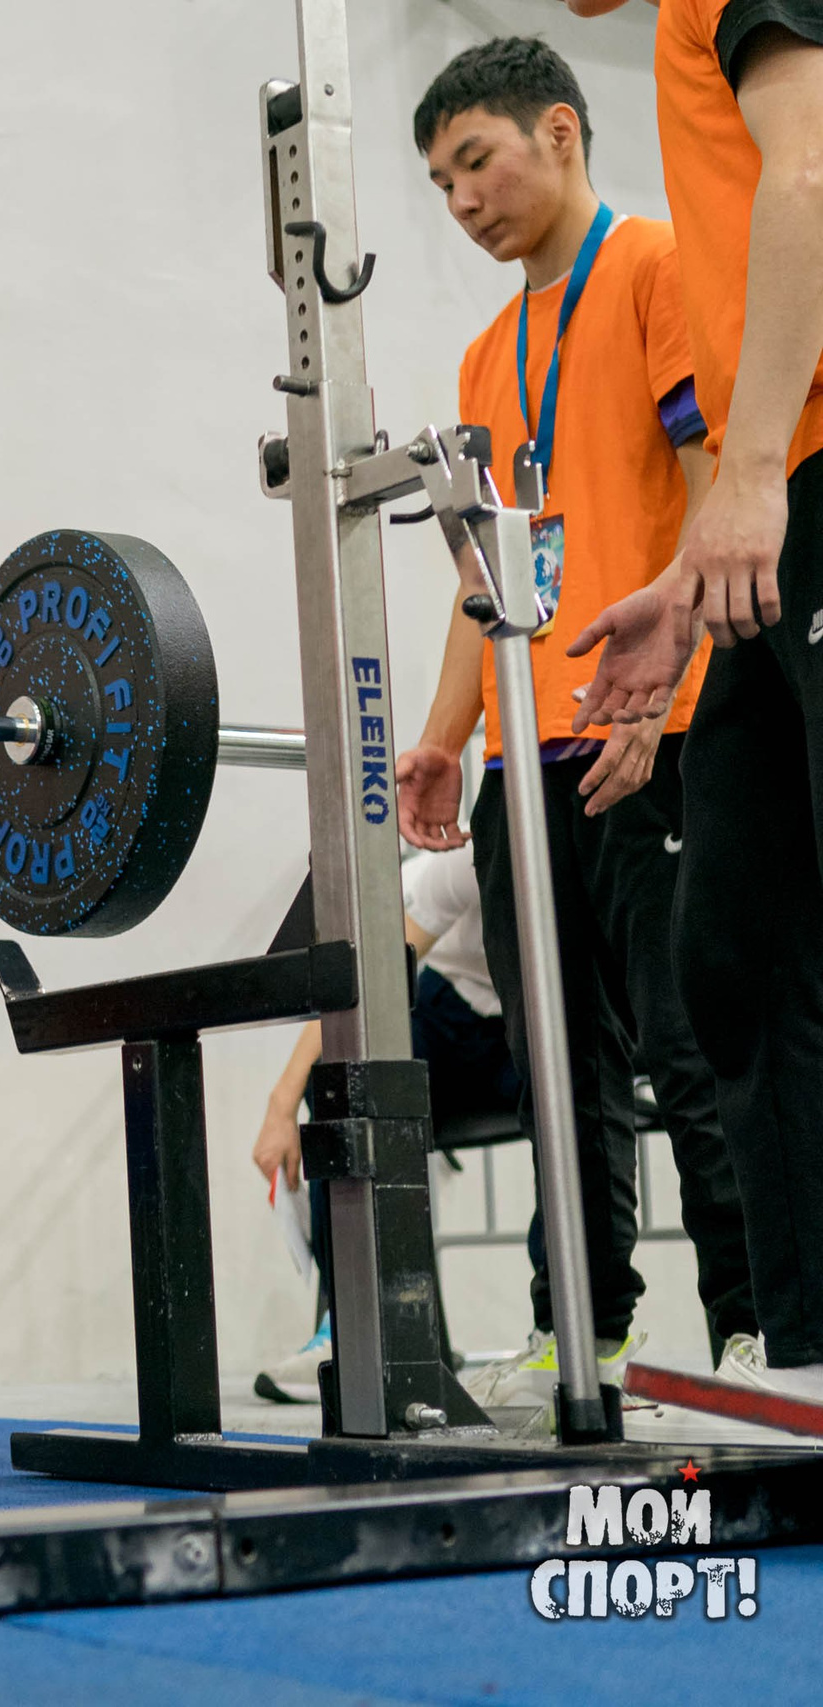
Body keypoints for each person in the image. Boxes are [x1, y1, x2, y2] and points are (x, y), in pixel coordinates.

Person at [392, 37, 755, 1400]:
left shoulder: (658, 268)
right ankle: (583, 1324)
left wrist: (667, 702)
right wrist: (446, 733)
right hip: (528, 755)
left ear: (559, 131)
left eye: (475, 161)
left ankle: (757, 1325)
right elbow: (490, 584)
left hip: (659, 730)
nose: (462, 200)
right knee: (562, 1060)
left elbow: (714, 476)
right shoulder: (489, 359)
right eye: (438, 183)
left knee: (692, 1038)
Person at [560, 0, 823, 1402]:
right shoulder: (678, 16)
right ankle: (808, 1356)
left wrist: (762, 469)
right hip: (781, 499)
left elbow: (811, 173)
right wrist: (685, 567)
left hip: (813, 474)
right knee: (732, 944)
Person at [248, 847, 525, 1403]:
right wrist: (282, 1105)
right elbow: (362, 992)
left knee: (579, 1093)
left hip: (536, 1023)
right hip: (450, 1011)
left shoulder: (604, 862)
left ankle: (571, 1335)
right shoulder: (465, 867)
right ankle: (352, 1328)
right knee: (344, 1075)